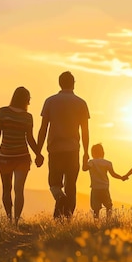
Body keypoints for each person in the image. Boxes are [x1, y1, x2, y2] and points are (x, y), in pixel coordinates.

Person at [36, 71, 90, 219]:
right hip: (73, 150)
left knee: (54, 183)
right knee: (71, 185)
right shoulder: (81, 103)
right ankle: (67, 220)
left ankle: (60, 199)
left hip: (55, 149)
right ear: (74, 83)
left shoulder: (50, 101)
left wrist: (38, 152)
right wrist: (86, 153)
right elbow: (85, 131)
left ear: (60, 83)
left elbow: (43, 128)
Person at [0, 86, 44, 225]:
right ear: (25, 100)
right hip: (22, 156)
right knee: (19, 189)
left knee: (6, 189)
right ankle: (15, 222)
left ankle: (9, 219)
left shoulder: (3, 112)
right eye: (29, 99)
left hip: (5, 156)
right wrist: (38, 154)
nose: (29, 102)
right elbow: (30, 139)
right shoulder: (27, 117)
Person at [82, 143, 126, 219]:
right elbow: (113, 174)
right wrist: (121, 177)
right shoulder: (107, 163)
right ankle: (108, 221)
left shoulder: (91, 162)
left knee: (96, 208)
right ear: (103, 152)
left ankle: (96, 222)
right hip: (104, 187)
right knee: (108, 205)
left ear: (92, 153)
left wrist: (84, 159)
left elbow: (84, 169)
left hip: (95, 188)